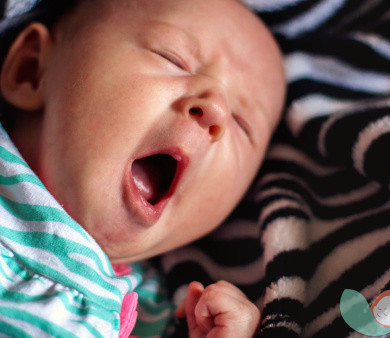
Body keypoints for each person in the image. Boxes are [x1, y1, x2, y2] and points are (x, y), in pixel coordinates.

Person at [0, 0, 286, 336]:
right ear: (33, 69)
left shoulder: (158, 315)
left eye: (243, 124)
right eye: (172, 58)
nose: (216, 112)